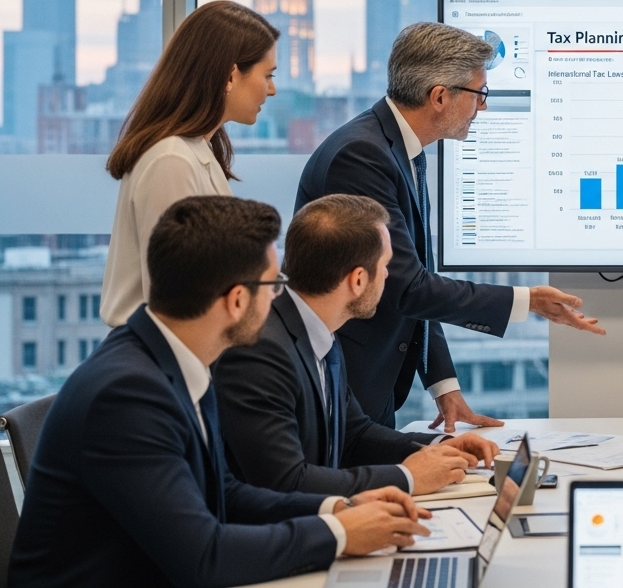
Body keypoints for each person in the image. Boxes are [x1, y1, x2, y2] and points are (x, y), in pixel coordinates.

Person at [10, 196, 432, 587]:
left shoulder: (176, 359)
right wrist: (338, 534)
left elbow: (225, 493)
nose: (279, 298)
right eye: (273, 284)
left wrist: (337, 509)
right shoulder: (127, 396)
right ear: (237, 300)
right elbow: (203, 557)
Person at [298, 22, 605, 430]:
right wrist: (527, 300)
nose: (483, 108)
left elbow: (415, 277)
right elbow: (408, 288)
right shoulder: (362, 156)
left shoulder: (399, 150)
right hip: (345, 391)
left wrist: (444, 385)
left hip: (368, 389)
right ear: (440, 96)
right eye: (480, 94)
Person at [215, 194, 502, 496]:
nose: (388, 275)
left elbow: (354, 434)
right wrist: (407, 477)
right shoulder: (260, 351)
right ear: (359, 280)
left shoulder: (319, 329)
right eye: (385, 265)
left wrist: (441, 445)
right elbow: (286, 482)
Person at [101, 0, 280, 327]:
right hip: (159, 353)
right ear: (230, 75)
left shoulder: (196, 149)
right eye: (267, 75)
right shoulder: (171, 161)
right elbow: (175, 300)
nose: (272, 89)